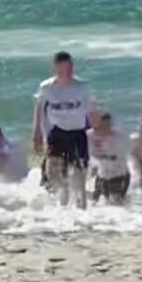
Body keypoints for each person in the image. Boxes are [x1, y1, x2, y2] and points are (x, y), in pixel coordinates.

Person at [31, 52, 92, 209]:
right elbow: (39, 107)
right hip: (57, 132)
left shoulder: (81, 87)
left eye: (70, 67)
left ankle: (82, 206)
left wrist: (96, 134)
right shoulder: (46, 87)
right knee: (54, 172)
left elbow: (90, 112)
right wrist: (36, 131)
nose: (68, 71)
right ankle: (62, 202)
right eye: (64, 68)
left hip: (78, 133)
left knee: (79, 174)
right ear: (56, 69)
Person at [87, 112, 132, 206]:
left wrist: (104, 155)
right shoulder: (89, 135)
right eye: (103, 125)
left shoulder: (119, 137)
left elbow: (121, 156)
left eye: (108, 125)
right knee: (94, 202)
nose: (106, 128)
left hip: (119, 174)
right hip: (102, 175)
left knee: (117, 204)